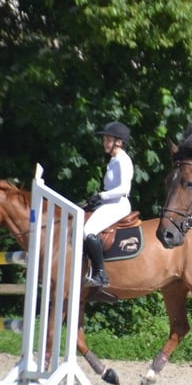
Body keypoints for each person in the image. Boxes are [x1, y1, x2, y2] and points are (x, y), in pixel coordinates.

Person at [82, 121, 134, 287]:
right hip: (109, 202)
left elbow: (124, 189)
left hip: (119, 204)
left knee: (88, 231)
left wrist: (101, 195)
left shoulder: (123, 160)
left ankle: (100, 275)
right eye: (104, 140)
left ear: (119, 142)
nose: (104, 143)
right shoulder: (113, 161)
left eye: (108, 140)